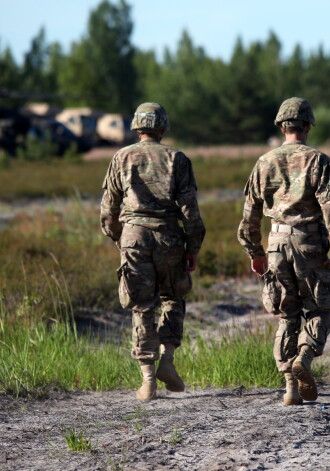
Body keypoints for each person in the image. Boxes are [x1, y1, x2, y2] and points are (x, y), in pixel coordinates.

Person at [237, 97, 330, 406]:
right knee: (320, 308)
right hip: (309, 243)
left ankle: (289, 388)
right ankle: (305, 356)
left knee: (287, 312)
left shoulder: (264, 162)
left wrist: (254, 251)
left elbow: (249, 216)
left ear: (281, 126)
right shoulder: (318, 160)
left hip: (275, 245)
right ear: (308, 125)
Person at [100, 102, 205, 401]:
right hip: (170, 237)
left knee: (142, 305)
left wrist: (121, 239)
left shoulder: (121, 157)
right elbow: (190, 211)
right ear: (162, 128)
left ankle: (147, 379)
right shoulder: (178, 159)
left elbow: (108, 209)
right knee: (173, 297)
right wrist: (192, 246)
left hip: (134, 236)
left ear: (136, 128)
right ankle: (167, 359)